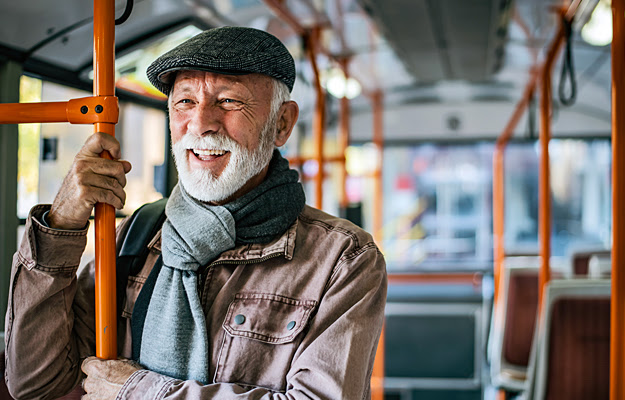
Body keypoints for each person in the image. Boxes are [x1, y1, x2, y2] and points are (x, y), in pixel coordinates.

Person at [4, 26, 387, 399]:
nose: (201, 124)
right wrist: (62, 223)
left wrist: (139, 393)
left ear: (281, 124)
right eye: (185, 101)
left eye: (229, 101)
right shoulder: (137, 234)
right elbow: (36, 384)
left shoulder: (343, 261)